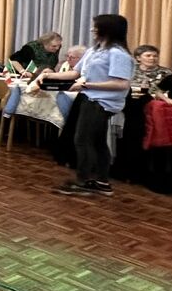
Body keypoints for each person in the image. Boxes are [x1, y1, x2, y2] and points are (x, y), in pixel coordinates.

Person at [53, 14, 134, 197]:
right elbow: (75, 73)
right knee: (97, 142)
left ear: (108, 30)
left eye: (96, 27)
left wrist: (87, 85)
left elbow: (121, 84)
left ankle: (84, 181)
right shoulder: (94, 51)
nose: (92, 30)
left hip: (101, 103)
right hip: (89, 99)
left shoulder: (118, 54)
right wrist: (49, 76)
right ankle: (102, 182)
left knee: (83, 141)